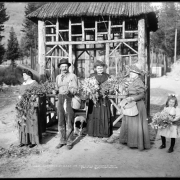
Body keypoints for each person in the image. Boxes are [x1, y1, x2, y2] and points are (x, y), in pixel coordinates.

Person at [119, 64, 151, 150]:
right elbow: (129, 92)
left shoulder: (138, 81)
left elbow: (142, 95)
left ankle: (138, 143)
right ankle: (130, 141)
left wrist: (132, 98)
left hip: (137, 104)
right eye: (130, 73)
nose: (131, 74)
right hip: (131, 104)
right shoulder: (132, 81)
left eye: (133, 73)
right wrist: (125, 89)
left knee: (136, 124)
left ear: (137, 74)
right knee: (131, 124)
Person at [55, 58, 78, 150]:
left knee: (69, 120)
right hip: (60, 98)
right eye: (62, 66)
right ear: (60, 68)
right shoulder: (57, 77)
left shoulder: (72, 76)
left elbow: (76, 89)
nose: (64, 68)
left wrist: (70, 90)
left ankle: (69, 141)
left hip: (69, 98)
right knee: (60, 120)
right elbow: (56, 87)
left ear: (68, 67)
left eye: (66, 66)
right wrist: (56, 90)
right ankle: (62, 140)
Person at [87, 60, 113, 138]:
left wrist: (107, 90)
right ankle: (93, 132)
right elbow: (88, 86)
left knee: (103, 114)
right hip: (94, 99)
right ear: (95, 68)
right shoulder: (92, 76)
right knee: (94, 114)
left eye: (101, 68)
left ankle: (104, 133)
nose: (100, 69)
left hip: (104, 99)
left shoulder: (107, 76)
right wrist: (92, 91)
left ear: (104, 68)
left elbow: (111, 87)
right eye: (98, 68)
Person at [17, 69, 40, 148]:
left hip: (31, 105)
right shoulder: (23, 84)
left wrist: (32, 98)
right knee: (23, 122)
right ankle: (24, 141)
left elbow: (36, 94)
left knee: (31, 121)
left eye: (24, 75)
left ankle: (32, 141)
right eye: (23, 75)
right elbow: (20, 93)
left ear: (29, 75)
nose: (23, 77)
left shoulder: (34, 83)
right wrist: (19, 99)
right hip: (23, 105)